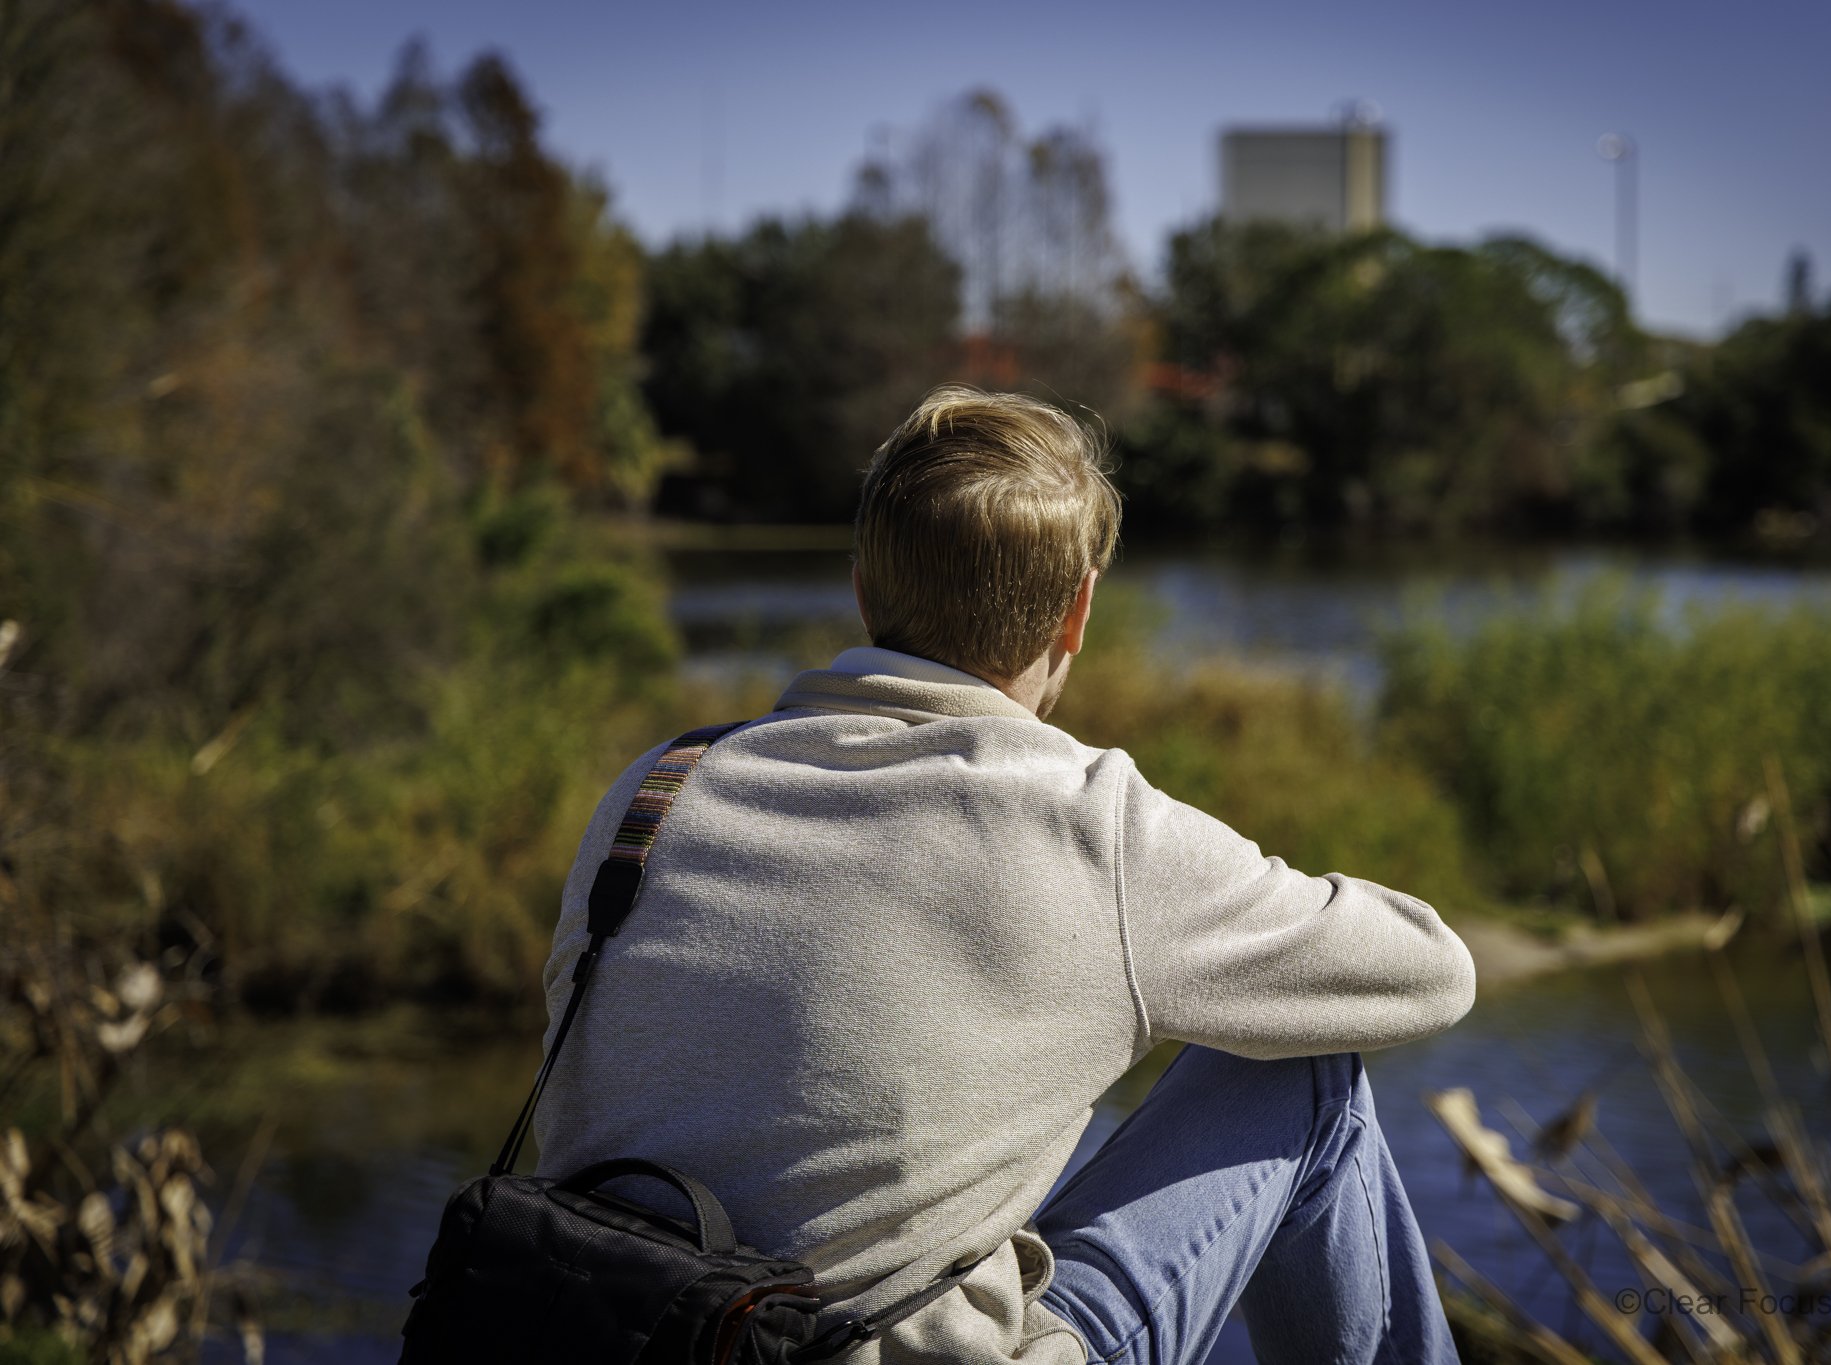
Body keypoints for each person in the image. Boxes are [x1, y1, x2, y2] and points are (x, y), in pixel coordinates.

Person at [531, 384, 1476, 1365]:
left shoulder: (654, 792)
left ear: (861, 591)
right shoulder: (1088, 826)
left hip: (610, 1335)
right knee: (1307, 1070)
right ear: (1076, 612)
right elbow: (1431, 972)